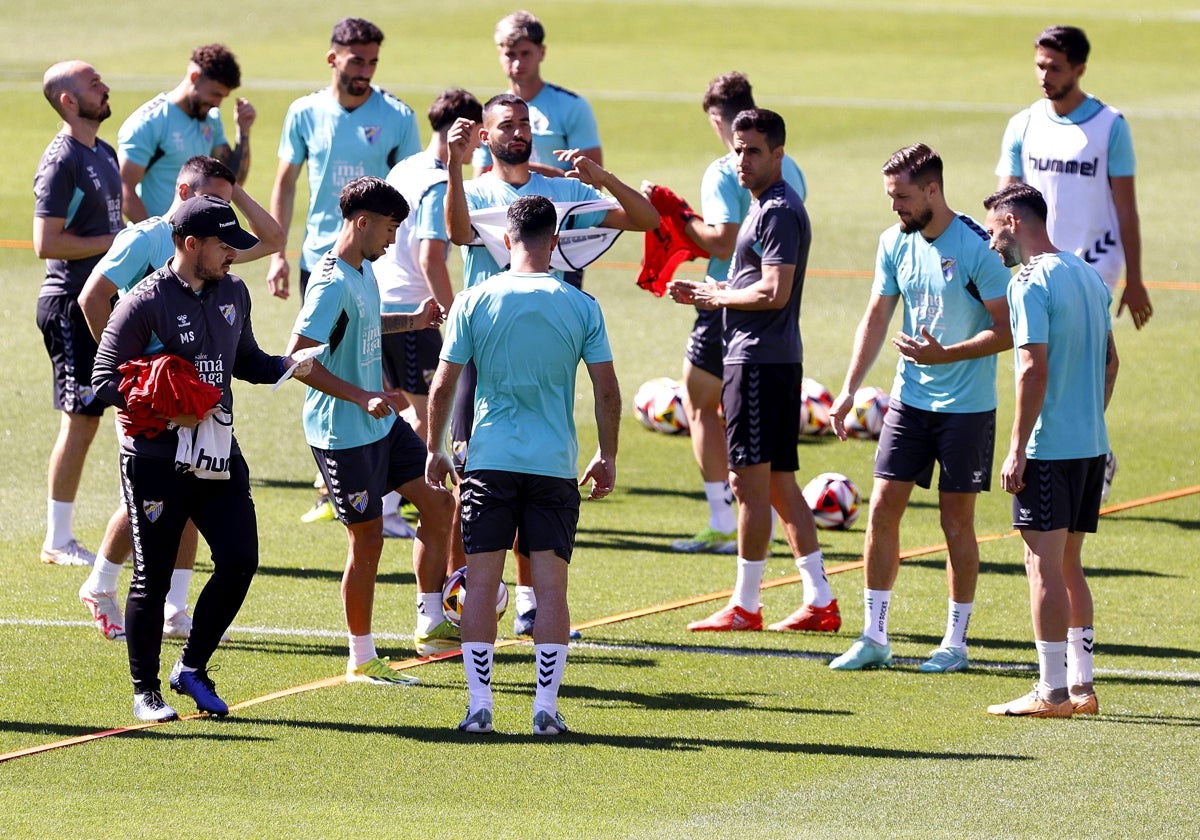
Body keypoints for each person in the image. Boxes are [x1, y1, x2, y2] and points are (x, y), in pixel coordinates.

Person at [446, 92, 657, 637]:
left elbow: (645, 219)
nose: (518, 133)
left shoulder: (565, 191)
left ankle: (529, 603)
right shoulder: (471, 191)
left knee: (533, 476)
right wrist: (451, 164)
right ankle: (450, 601)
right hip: (483, 353)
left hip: (546, 352)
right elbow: (455, 232)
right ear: (486, 137)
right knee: (471, 481)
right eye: (506, 126)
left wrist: (599, 175)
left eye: (524, 125)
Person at [92, 195, 309, 722]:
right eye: (223, 244)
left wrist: (288, 365)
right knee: (153, 575)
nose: (234, 253)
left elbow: (246, 361)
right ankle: (146, 692)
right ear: (191, 245)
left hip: (217, 450)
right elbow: (103, 380)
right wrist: (167, 407)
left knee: (239, 559)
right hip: (157, 456)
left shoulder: (234, 290)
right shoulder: (144, 301)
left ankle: (191, 668)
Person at [426, 194, 620, 735]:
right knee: (552, 591)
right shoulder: (581, 306)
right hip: (554, 465)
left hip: (489, 461)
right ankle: (545, 709)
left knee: (482, 584)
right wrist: (608, 454)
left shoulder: (473, 299)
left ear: (506, 241)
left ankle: (479, 706)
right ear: (555, 244)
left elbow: (443, 382)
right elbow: (606, 388)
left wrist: (435, 447)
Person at [75, 156, 284, 642]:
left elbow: (274, 241)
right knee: (153, 495)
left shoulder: (216, 244)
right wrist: (138, 371)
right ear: (187, 196)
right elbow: (93, 298)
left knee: (188, 494)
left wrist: (236, 191)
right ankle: (103, 583)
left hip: (199, 394)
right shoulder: (143, 239)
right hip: (150, 394)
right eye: (215, 199)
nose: (225, 211)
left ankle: (174, 608)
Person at [826, 144, 1012, 672]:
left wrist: (943, 354)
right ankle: (875, 636)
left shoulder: (978, 248)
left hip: (967, 408)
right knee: (883, 507)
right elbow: (877, 316)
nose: (895, 208)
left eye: (902, 197)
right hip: (910, 401)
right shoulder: (894, 242)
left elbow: (1008, 330)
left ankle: (954, 643)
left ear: (932, 190)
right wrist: (849, 388)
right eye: (891, 197)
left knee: (956, 522)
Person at [666, 109, 837, 634]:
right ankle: (819, 600)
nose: (742, 160)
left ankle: (746, 604)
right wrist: (708, 291)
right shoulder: (766, 206)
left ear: (779, 154)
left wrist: (716, 295)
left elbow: (773, 290)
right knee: (781, 483)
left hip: (759, 359)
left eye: (754, 151)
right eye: (738, 149)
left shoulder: (779, 211)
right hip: (765, 356)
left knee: (749, 482)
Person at [285, 176, 455, 675]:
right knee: (369, 541)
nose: (393, 238)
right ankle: (361, 658)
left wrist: (413, 321)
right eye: (389, 227)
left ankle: (429, 621)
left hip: (378, 425)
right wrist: (363, 395)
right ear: (363, 222)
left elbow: (363, 322)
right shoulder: (330, 280)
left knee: (439, 501)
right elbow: (297, 359)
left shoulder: (362, 270)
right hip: (343, 434)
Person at [652, 71, 808, 555]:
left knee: (700, 404)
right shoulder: (791, 169)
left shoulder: (724, 170)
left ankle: (724, 521)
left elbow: (721, 239)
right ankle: (811, 584)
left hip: (734, 310)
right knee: (775, 469)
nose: (740, 155)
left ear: (718, 118)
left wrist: (678, 218)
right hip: (767, 321)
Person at [996, 25, 1147, 501]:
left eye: (1054, 67)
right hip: (1036, 262)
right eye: (1039, 65)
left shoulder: (1109, 126)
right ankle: (1063, 452)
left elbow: (1125, 206)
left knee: (1093, 361)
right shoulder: (1023, 123)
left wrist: (1137, 280)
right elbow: (1003, 200)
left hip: (1092, 262)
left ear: (1079, 69)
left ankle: (1090, 450)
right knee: (1039, 360)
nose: (1044, 75)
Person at [982, 183, 1117, 717]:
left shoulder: (1028, 283)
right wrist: (1088, 416)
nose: (993, 244)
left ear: (1013, 222)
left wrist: (1016, 447)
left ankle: (1051, 692)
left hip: (1048, 448)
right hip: (1089, 446)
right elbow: (1111, 361)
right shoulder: (1088, 275)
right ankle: (1082, 689)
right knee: (1069, 566)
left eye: (994, 231)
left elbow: (1032, 368)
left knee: (1041, 567)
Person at [374, 88, 483, 542]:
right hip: (416, 311)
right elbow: (431, 258)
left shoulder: (406, 167)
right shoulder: (439, 181)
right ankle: (387, 505)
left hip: (382, 303)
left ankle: (383, 501)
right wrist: (457, 317)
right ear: (467, 130)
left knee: (399, 406)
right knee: (426, 415)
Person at [33, 60, 123, 567]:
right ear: (69, 101)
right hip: (70, 303)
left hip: (102, 297)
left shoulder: (102, 152)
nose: (104, 87)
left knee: (102, 415)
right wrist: (117, 242)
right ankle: (58, 539)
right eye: (94, 84)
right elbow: (46, 242)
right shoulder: (62, 160)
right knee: (81, 419)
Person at [267, 17, 421, 302]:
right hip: (318, 259)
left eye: (372, 63)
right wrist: (277, 255)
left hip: (377, 263)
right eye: (357, 62)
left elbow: (411, 192)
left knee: (371, 346)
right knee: (316, 346)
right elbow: (285, 185)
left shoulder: (399, 116)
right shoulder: (304, 112)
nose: (365, 72)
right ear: (332, 58)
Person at [476, 10, 603, 289]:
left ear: (541, 52)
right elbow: (481, 175)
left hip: (557, 236)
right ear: (499, 53)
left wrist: (538, 173)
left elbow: (594, 179)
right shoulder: (493, 114)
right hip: (502, 234)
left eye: (525, 53)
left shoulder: (571, 106)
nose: (518, 63)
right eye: (510, 54)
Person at [117, 44, 253, 222]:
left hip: (198, 240)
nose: (218, 103)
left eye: (223, 97)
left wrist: (243, 131)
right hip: (165, 241)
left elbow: (232, 180)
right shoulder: (150, 122)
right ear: (194, 77)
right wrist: (157, 237)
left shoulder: (210, 118)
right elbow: (123, 187)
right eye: (215, 94)